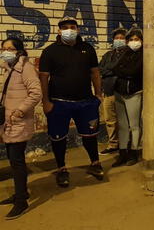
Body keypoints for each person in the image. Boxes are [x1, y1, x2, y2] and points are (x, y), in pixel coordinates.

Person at [39, 16, 104, 187]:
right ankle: (61, 169)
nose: (69, 30)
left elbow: (95, 73)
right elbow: (44, 78)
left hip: (86, 102)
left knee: (90, 135)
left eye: (72, 27)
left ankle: (95, 163)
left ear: (78, 30)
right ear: (59, 31)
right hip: (59, 103)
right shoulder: (50, 51)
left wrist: (98, 95)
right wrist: (45, 101)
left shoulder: (87, 48)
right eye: (65, 27)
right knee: (58, 137)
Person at [0, 38, 42, 219]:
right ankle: (20, 193)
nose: (6, 51)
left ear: (19, 51)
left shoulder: (26, 68)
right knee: (12, 158)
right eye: (3, 48)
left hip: (18, 120)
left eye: (10, 48)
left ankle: (21, 202)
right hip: (8, 121)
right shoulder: (8, 68)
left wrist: (18, 111)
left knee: (16, 161)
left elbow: (36, 93)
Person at [111, 28, 143, 167]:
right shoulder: (125, 53)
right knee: (123, 125)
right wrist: (125, 72)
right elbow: (114, 68)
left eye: (136, 39)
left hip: (134, 93)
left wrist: (124, 72)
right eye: (131, 40)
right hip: (119, 93)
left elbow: (133, 72)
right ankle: (122, 153)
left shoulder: (144, 55)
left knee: (134, 125)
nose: (133, 42)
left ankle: (134, 152)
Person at [98, 28, 127, 155]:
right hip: (108, 92)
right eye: (117, 38)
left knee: (124, 120)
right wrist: (113, 69)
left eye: (122, 38)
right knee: (110, 120)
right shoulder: (108, 55)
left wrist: (110, 70)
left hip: (123, 93)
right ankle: (113, 144)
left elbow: (123, 70)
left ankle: (126, 145)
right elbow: (100, 70)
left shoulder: (129, 55)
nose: (119, 40)